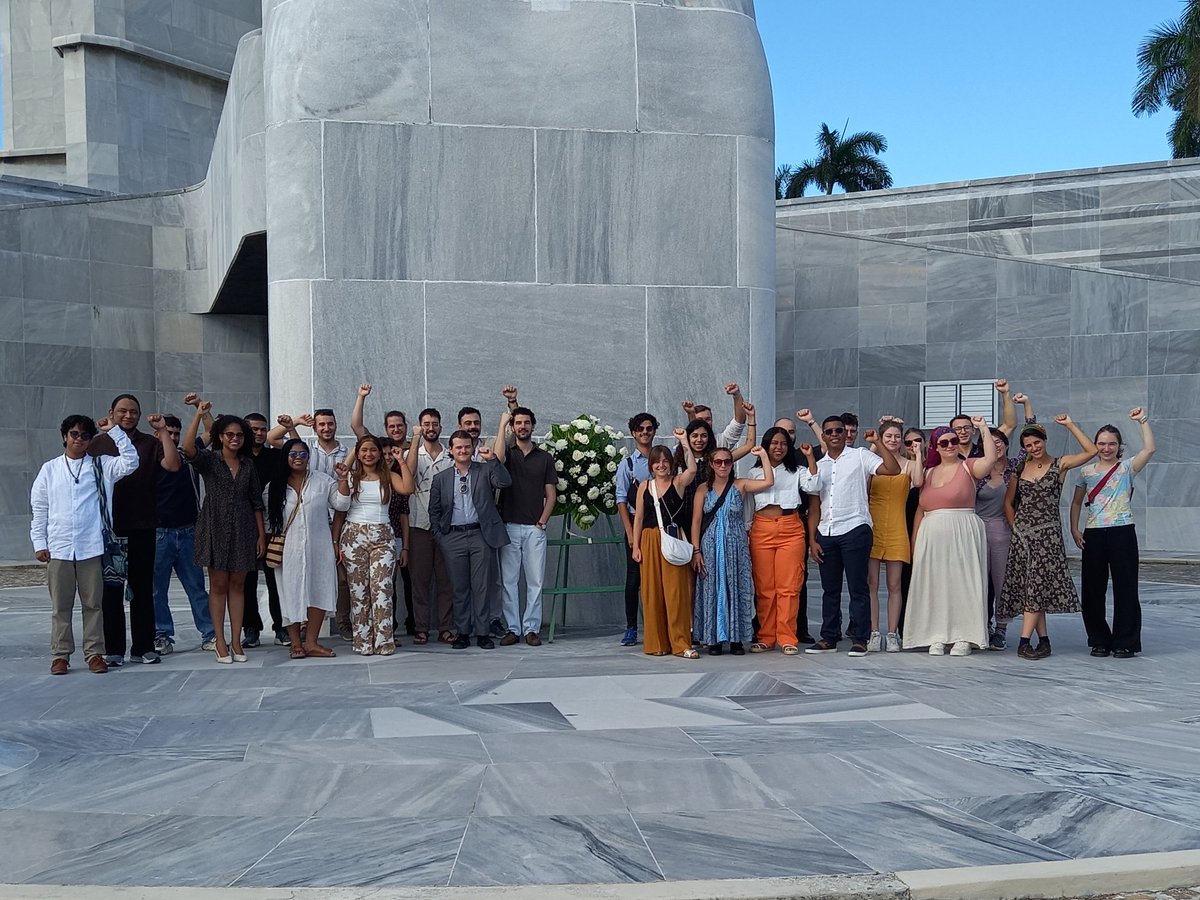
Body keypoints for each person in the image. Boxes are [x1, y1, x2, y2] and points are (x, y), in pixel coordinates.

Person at [31, 414, 139, 674]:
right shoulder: (50, 469)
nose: (79, 439)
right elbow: (39, 507)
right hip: (59, 547)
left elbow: (131, 461)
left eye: (85, 435)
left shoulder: (102, 465)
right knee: (61, 606)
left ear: (91, 440)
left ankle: (94, 653)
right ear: (65, 436)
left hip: (91, 546)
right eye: (74, 434)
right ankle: (60, 655)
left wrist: (114, 431)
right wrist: (39, 542)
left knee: (94, 605)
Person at [89, 393, 181, 666]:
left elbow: (173, 465)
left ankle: (143, 647)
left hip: (143, 524)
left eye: (133, 412)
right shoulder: (98, 444)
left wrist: (162, 430)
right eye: (122, 411)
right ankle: (114, 649)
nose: (128, 416)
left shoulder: (149, 443)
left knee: (142, 588)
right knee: (111, 590)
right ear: (111, 412)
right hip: (110, 529)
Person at [998, 416, 1097, 660]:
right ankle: (1043, 641)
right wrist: (1015, 528)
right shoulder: (1019, 469)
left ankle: (1024, 642)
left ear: (1044, 440)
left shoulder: (1059, 464)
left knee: (1037, 586)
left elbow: (1091, 451)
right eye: (1028, 445)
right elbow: (1008, 503)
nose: (1034, 447)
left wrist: (1070, 425)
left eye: (1037, 442)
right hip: (1023, 537)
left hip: (1048, 536)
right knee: (1033, 588)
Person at [806, 415, 901, 657]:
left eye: (839, 430)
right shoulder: (819, 465)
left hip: (855, 528)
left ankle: (860, 638)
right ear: (823, 436)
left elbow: (892, 469)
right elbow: (814, 506)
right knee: (830, 589)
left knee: (858, 587)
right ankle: (829, 637)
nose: (835, 435)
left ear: (846, 433)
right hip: (827, 531)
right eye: (829, 431)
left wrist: (878, 442)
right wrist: (812, 540)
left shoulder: (860, 455)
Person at [182, 401, 267, 664]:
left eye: (239, 435)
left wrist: (261, 535)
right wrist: (198, 415)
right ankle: (219, 640)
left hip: (244, 527)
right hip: (215, 525)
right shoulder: (210, 460)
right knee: (218, 585)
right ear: (220, 436)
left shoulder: (248, 465)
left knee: (238, 585)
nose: (235, 439)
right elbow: (188, 449)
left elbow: (256, 501)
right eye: (229, 434)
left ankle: (236, 640)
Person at [905, 417, 998, 656]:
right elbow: (920, 506)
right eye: (944, 442)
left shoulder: (969, 467)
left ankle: (964, 636)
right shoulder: (928, 472)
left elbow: (990, 459)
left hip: (962, 530)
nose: (950, 446)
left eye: (954, 441)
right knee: (935, 585)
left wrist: (983, 429)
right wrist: (915, 543)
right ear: (936, 447)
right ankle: (936, 634)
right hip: (931, 534)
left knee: (962, 584)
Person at [1070, 408, 1156, 659]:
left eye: (1111, 444)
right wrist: (1074, 528)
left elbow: (1149, 449)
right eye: (1102, 443)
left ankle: (1125, 642)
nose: (1106, 448)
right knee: (1092, 590)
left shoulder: (1127, 467)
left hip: (1123, 531)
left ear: (1119, 446)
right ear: (1096, 445)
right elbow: (1077, 502)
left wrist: (1142, 421)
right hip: (1094, 533)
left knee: (1126, 587)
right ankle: (1099, 640)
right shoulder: (1086, 472)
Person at [268, 406, 352, 639]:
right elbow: (273, 438)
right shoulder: (277, 485)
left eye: (303, 455)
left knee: (322, 585)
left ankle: (316, 639)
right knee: (291, 590)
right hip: (290, 544)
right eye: (293, 455)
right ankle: (296, 641)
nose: (298, 458)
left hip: (322, 535)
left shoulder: (325, 477)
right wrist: (293, 424)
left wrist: (343, 479)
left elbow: (342, 504)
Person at [429, 431, 513, 649]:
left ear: (472, 448)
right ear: (451, 450)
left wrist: (493, 460)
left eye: (467, 446)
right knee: (459, 587)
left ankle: (483, 632)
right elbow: (434, 511)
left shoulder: (484, 470)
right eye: (458, 447)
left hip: (480, 535)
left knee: (481, 586)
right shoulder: (441, 478)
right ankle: (463, 632)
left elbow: (504, 482)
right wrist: (441, 537)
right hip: (453, 537)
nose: (463, 450)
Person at [335, 433, 414, 655]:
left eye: (373, 450)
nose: (369, 454)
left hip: (383, 534)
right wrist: (343, 478)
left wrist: (401, 460)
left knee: (382, 589)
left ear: (380, 453)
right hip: (354, 534)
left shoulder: (388, 476)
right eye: (364, 450)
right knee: (359, 590)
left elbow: (408, 488)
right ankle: (363, 641)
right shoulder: (351, 477)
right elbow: (340, 506)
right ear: (358, 454)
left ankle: (384, 641)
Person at [692, 444, 773, 655]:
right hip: (710, 545)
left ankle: (736, 639)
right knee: (712, 588)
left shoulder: (740, 485)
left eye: (727, 461)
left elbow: (768, 481)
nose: (723, 465)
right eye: (718, 462)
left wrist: (764, 456)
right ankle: (714, 639)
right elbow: (696, 521)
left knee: (737, 587)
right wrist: (696, 551)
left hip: (736, 544)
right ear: (711, 464)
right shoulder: (703, 489)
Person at [747, 428, 819, 655]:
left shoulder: (797, 470)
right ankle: (766, 636)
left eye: (784, 444)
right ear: (766, 445)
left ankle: (787, 637)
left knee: (789, 587)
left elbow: (814, 486)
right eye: (774, 443)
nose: (778, 447)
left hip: (790, 528)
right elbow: (749, 504)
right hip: (762, 527)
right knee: (765, 587)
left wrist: (810, 458)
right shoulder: (754, 472)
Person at [351, 383, 415, 635]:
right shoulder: (371, 452)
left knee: (388, 586)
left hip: (393, 532)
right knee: (366, 588)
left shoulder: (400, 462)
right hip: (362, 533)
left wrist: (403, 455)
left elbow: (407, 492)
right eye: (391, 426)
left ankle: (393, 632)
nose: (396, 429)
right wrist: (361, 397)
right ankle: (367, 634)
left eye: (400, 425)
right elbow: (357, 428)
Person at [151, 414, 216, 655]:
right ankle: (161, 634)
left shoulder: (188, 452)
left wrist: (200, 411)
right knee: (157, 590)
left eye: (176, 433)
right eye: (168, 433)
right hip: (159, 532)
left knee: (196, 587)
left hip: (188, 531)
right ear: (157, 433)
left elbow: (212, 433)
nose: (173, 437)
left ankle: (210, 633)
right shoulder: (150, 455)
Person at [494, 403, 557, 646]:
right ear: (513, 426)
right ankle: (513, 628)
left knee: (535, 581)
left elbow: (551, 494)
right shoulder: (508, 454)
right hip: (509, 525)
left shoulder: (545, 458)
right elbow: (497, 459)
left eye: (526, 422)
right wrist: (502, 425)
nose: (522, 426)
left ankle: (531, 628)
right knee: (509, 581)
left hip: (534, 528)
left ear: (533, 426)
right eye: (518, 423)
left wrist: (542, 522)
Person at [630, 436, 697, 657]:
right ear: (651, 465)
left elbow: (692, 470)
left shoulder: (678, 482)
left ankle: (681, 643)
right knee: (652, 592)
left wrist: (685, 443)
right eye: (657, 462)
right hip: (649, 539)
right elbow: (639, 518)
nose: (661, 465)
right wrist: (636, 546)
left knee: (676, 592)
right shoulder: (644, 486)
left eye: (665, 461)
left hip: (671, 538)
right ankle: (657, 643)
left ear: (671, 463)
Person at [865, 417, 924, 653]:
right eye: (888, 436)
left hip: (898, 527)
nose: (893, 440)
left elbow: (918, 481)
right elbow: (863, 479)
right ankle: (873, 632)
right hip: (873, 526)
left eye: (897, 436)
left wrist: (917, 454)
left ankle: (892, 633)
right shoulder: (874, 464)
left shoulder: (908, 465)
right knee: (871, 583)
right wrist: (875, 443)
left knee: (894, 583)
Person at [405, 407, 457, 644]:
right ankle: (421, 627)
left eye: (434, 424)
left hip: (446, 526)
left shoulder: (450, 456)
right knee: (420, 580)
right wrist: (415, 439)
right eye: (426, 424)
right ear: (420, 426)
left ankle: (446, 627)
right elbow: (409, 473)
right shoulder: (412, 453)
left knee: (446, 580)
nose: (431, 428)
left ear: (441, 427)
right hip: (419, 524)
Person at [240, 410, 285, 648]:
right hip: (243, 527)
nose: (258, 433)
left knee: (276, 579)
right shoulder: (237, 457)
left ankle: (281, 627)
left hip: (272, 527)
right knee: (246, 582)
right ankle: (251, 628)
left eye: (262, 429)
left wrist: (293, 424)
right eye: (253, 429)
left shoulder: (275, 457)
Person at [615, 412, 658, 646]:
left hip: (660, 524)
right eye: (640, 429)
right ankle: (631, 627)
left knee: (660, 576)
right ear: (633, 433)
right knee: (634, 578)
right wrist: (631, 534)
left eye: (649, 428)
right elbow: (621, 500)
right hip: (635, 523)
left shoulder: (663, 458)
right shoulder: (628, 464)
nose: (645, 432)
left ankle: (658, 624)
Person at [976, 428, 1017, 651]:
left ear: (1007, 444)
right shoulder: (977, 469)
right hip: (977, 530)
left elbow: (1028, 431)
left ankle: (1001, 628)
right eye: (989, 442)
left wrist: (1027, 409)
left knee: (1002, 582)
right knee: (978, 582)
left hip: (1003, 530)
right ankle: (981, 626)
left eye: (999, 441)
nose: (996, 445)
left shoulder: (1015, 468)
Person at [896, 426, 925, 637]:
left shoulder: (932, 467)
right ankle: (904, 627)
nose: (913, 445)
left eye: (917, 441)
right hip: (902, 526)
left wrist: (919, 457)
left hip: (927, 528)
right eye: (908, 442)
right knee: (904, 579)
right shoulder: (899, 466)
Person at [681, 382, 749, 449]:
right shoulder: (683, 446)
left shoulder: (720, 442)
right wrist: (691, 414)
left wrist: (737, 395)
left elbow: (739, 422)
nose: (704, 423)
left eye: (708, 419)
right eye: (700, 420)